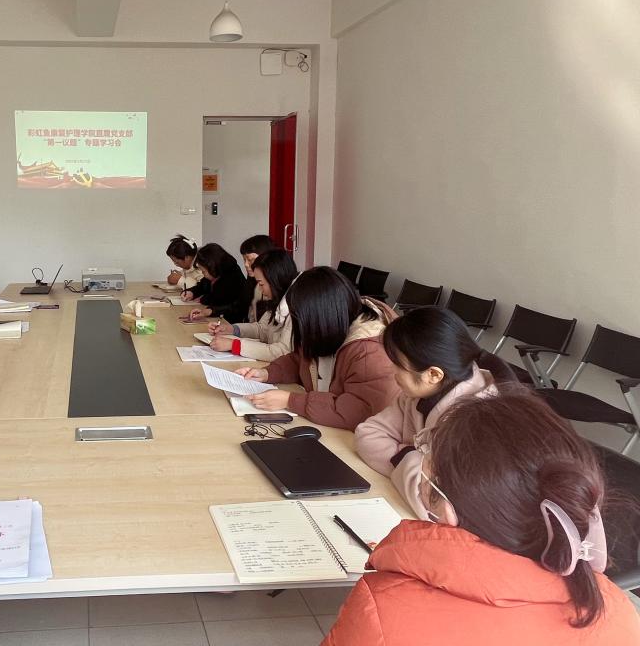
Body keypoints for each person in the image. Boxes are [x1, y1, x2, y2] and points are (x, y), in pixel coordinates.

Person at [324, 391, 640, 644]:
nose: (421, 459)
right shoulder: (618, 610)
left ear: (448, 509)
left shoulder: (384, 608)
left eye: (427, 454)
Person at [354, 306, 501, 518]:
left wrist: (404, 459)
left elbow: (438, 508)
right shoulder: (419, 394)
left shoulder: (476, 423)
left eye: (398, 365)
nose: (391, 371)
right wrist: (410, 458)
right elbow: (367, 434)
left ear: (433, 374)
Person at [235, 266, 400, 429]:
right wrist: (267, 373)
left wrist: (290, 401)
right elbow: (301, 360)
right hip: (324, 426)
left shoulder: (369, 351)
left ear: (322, 316)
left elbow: (358, 411)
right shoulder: (331, 328)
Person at [208, 249, 296, 361]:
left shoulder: (295, 307)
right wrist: (232, 329)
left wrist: (235, 345)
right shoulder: (278, 299)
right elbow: (262, 329)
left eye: (261, 284)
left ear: (275, 280)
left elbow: (282, 352)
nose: (260, 289)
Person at [184, 243, 249, 324]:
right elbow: (202, 286)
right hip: (217, 316)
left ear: (212, 267)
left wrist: (207, 305)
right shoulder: (215, 273)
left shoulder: (232, 276)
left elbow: (220, 302)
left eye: (203, 271)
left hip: (231, 321)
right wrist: (192, 292)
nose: (203, 274)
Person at [238, 234, 278, 321]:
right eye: (244, 260)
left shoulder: (274, 286)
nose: (246, 264)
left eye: (250, 260)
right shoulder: (252, 281)